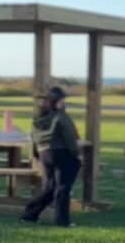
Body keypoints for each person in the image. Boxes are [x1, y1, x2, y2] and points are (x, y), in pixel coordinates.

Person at [20, 86, 81, 227]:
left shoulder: (38, 118)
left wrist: (36, 154)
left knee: (49, 188)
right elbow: (70, 138)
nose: (64, 102)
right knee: (63, 187)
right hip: (61, 153)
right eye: (63, 100)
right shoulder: (61, 116)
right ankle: (62, 221)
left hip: (44, 154)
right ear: (58, 101)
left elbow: (33, 137)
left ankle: (30, 214)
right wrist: (76, 155)